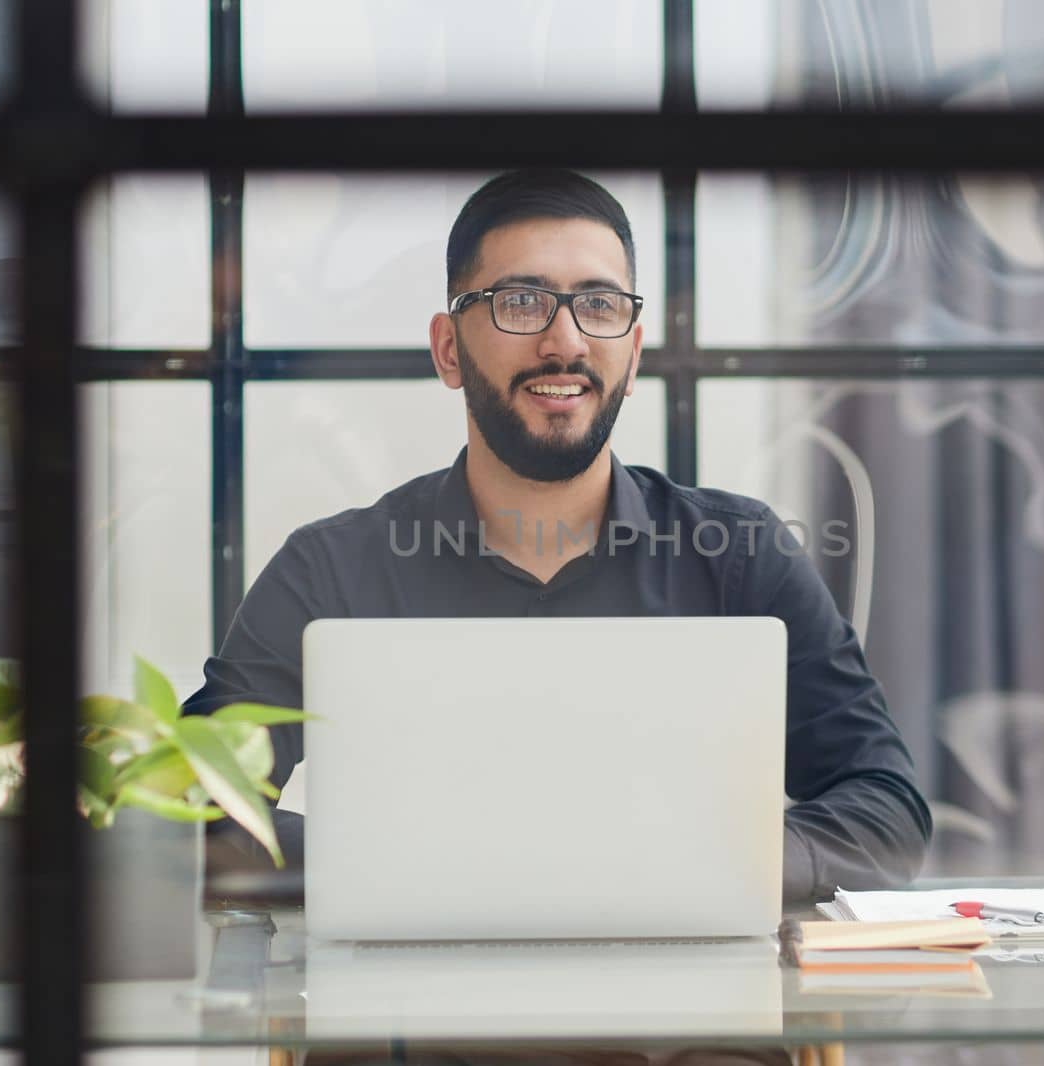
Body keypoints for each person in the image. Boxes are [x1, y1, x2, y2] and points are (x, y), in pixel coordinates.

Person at [185, 169, 931, 902]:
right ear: (449, 350)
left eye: (599, 305)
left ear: (633, 353)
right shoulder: (330, 571)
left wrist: (716, 864)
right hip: (411, 1015)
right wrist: (401, 863)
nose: (564, 341)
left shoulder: (741, 556)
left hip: (692, 1019)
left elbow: (887, 810)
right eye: (520, 301)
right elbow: (190, 814)